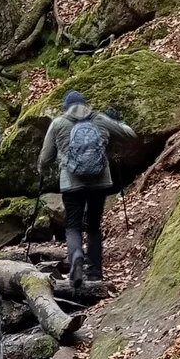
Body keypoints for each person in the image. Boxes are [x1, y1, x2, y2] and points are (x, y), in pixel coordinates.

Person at [37, 91, 136, 287]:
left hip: (71, 183)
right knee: (93, 226)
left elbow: (45, 157)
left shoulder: (58, 123)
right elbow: (130, 134)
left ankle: (76, 258)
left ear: (66, 107)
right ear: (85, 105)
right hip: (100, 182)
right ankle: (95, 272)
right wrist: (118, 121)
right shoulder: (99, 119)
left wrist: (43, 169)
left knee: (73, 226)